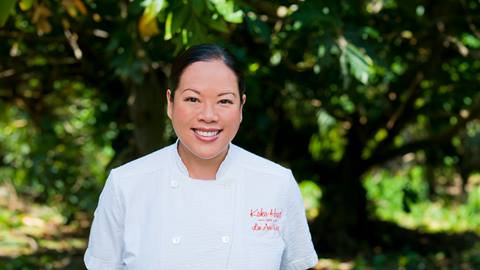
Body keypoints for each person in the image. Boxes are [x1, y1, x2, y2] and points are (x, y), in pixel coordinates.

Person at [84, 44, 318, 270]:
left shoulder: (276, 183)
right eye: (193, 99)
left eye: (224, 101)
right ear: (170, 103)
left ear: (241, 107)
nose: (208, 115)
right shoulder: (126, 184)